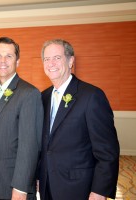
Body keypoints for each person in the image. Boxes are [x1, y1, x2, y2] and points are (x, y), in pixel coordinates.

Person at [38, 39, 120, 200]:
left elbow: (107, 152)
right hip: (47, 186)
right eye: (46, 59)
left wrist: (100, 192)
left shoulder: (92, 96)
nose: (51, 63)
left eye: (57, 57)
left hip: (79, 189)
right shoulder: (43, 97)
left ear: (70, 61)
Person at [0, 37, 43, 200]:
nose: (2, 61)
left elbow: (30, 146)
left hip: (13, 187)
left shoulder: (29, 93)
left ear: (17, 61)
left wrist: (20, 187)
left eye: (9, 56)